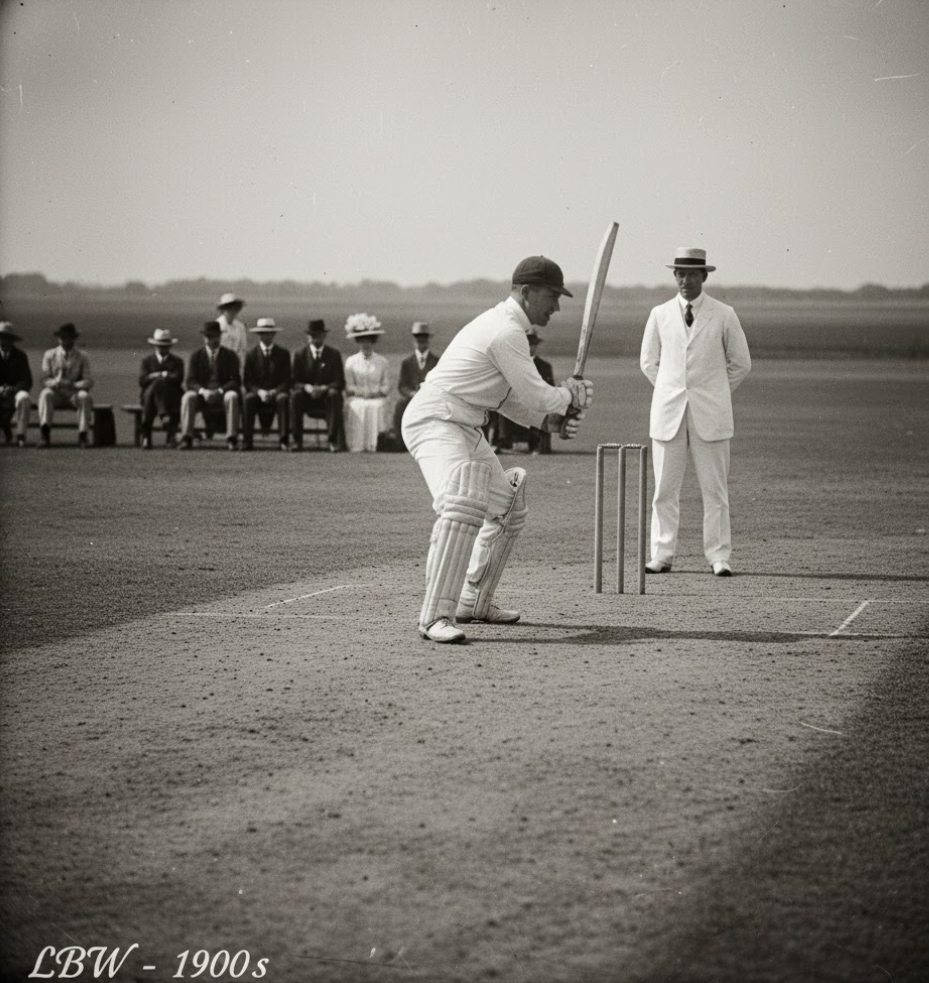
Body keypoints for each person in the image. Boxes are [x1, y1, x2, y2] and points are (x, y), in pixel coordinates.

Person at [401, 255, 593, 643]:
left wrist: (550, 421)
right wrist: (567, 396)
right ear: (526, 292)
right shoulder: (505, 332)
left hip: (464, 423)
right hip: (436, 419)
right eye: (552, 296)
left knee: (507, 507)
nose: (556, 306)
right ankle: (435, 616)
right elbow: (537, 395)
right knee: (461, 502)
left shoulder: (509, 330)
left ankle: (473, 600)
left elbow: (507, 398)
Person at [640, 246, 752, 577]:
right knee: (664, 491)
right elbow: (648, 362)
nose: (685, 280)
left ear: (704, 276)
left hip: (711, 416)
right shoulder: (659, 314)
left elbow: (741, 363)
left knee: (715, 491)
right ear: (674, 276)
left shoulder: (724, 314)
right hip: (668, 415)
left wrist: (715, 392)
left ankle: (719, 557)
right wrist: (671, 391)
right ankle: (661, 555)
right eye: (680, 274)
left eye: (691, 274)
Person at [180, 320, 242, 450]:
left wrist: (220, 391)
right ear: (204, 338)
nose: (211, 340)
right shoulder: (196, 356)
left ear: (220, 336)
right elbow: (190, 381)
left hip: (222, 394)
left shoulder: (230, 356)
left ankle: (232, 438)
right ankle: (186, 437)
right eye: (208, 336)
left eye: (214, 336)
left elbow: (235, 381)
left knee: (232, 396)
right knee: (188, 397)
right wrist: (203, 391)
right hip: (202, 396)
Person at [491, 327, 555, 454]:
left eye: (533, 344)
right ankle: (499, 442)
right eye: (528, 343)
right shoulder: (508, 364)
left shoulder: (544, 367)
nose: (531, 347)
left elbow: (550, 390)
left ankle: (535, 444)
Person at [290, 319, 346, 453]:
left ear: (324, 336)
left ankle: (332, 440)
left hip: (326, 398)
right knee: (296, 396)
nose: (315, 339)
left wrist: (324, 388)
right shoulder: (300, 355)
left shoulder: (334, 354)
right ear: (308, 337)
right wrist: (306, 387)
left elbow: (339, 381)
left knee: (335, 394)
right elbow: (293, 381)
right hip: (307, 398)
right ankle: (297, 441)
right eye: (312, 335)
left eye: (318, 335)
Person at [37, 323, 94, 448]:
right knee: (45, 394)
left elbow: (88, 380)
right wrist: (55, 383)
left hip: (74, 393)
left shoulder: (82, 356)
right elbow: (44, 378)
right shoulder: (50, 354)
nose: (66, 341)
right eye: (63, 338)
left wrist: (72, 385)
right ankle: (44, 434)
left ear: (74, 339)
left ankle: (83, 435)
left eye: (69, 338)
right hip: (56, 393)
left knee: (85, 397)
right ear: (59, 339)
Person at [343, 313, 390, 453]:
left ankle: (375, 445)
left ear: (372, 341)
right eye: (362, 340)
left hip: (377, 397)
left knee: (376, 406)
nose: (365, 344)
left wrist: (376, 393)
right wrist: (360, 392)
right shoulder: (351, 361)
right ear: (358, 341)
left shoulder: (382, 361)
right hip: (357, 397)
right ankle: (357, 445)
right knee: (358, 406)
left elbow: (386, 385)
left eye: (368, 340)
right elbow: (349, 385)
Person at [242, 317, 291, 451]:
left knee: (283, 398)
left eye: (269, 333)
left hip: (276, 393)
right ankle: (247, 440)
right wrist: (260, 392)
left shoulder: (283, 354)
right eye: (263, 333)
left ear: (274, 334)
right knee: (248, 399)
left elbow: (287, 380)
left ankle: (284, 440)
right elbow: (247, 381)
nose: (266, 336)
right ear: (259, 334)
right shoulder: (251, 355)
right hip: (258, 394)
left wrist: (275, 391)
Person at [393, 322, 439, 447]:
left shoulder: (437, 362)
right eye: (418, 339)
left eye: (424, 338)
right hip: (412, 398)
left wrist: (428, 393)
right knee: (400, 405)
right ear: (414, 341)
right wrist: (412, 393)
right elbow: (402, 386)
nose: (421, 342)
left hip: (430, 398)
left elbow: (440, 384)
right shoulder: (407, 363)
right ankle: (400, 442)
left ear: (428, 341)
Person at [138, 327, 184, 449]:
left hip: (171, 397)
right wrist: (163, 376)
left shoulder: (177, 361)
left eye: (165, 346)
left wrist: (160, 375)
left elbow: (178, 378)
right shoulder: (147, 361)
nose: (163, 349)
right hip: (150, 397)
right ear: (155, 346)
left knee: (157, 386)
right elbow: (142, 381)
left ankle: (146, 436)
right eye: (160, 346)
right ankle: (164, 418)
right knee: (154, 390)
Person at [0, 321, 33, 447]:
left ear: (12, 340)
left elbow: (27, 380)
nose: (3, 340)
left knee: (24, 397)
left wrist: (12, 389)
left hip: (15, 392)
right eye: (1, 337)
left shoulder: (20, 356)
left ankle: (21, 435)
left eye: (6, 337)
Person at [216, 292, 248, 366]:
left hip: (236, 365)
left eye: (236, 309)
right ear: (223, 310)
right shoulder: (217, 325)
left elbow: (243, 349)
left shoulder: (240, 326)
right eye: (230, 309)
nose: (234, 312)